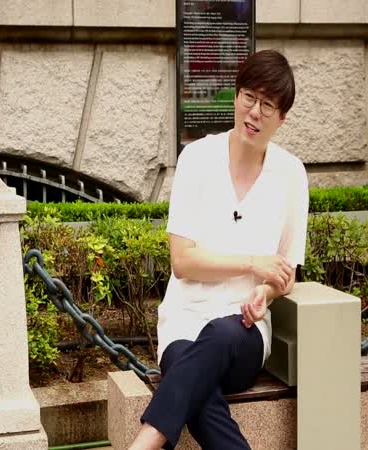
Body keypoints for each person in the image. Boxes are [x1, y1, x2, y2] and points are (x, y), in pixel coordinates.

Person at [128, 49, 309, 450]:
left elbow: (286, 273)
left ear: (282, 118)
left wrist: (265, 292)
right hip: (184, 323)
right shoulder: (197, 158)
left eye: (267, 105)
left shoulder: (291, 175)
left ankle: (142, 444)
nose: (254, 112)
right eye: (249, 97)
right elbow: (182, 262)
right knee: (196, 388)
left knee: (223, 333)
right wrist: (253, 264)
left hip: (244, 334)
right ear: (236, 95)